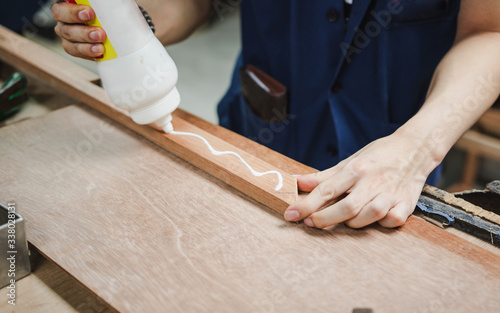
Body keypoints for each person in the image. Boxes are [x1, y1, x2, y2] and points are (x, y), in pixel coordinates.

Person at [52, 0, 500, 229]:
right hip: (256, 129)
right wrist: (135, 27)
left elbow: (490, 31)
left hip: (392, 159)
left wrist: (414, 148)